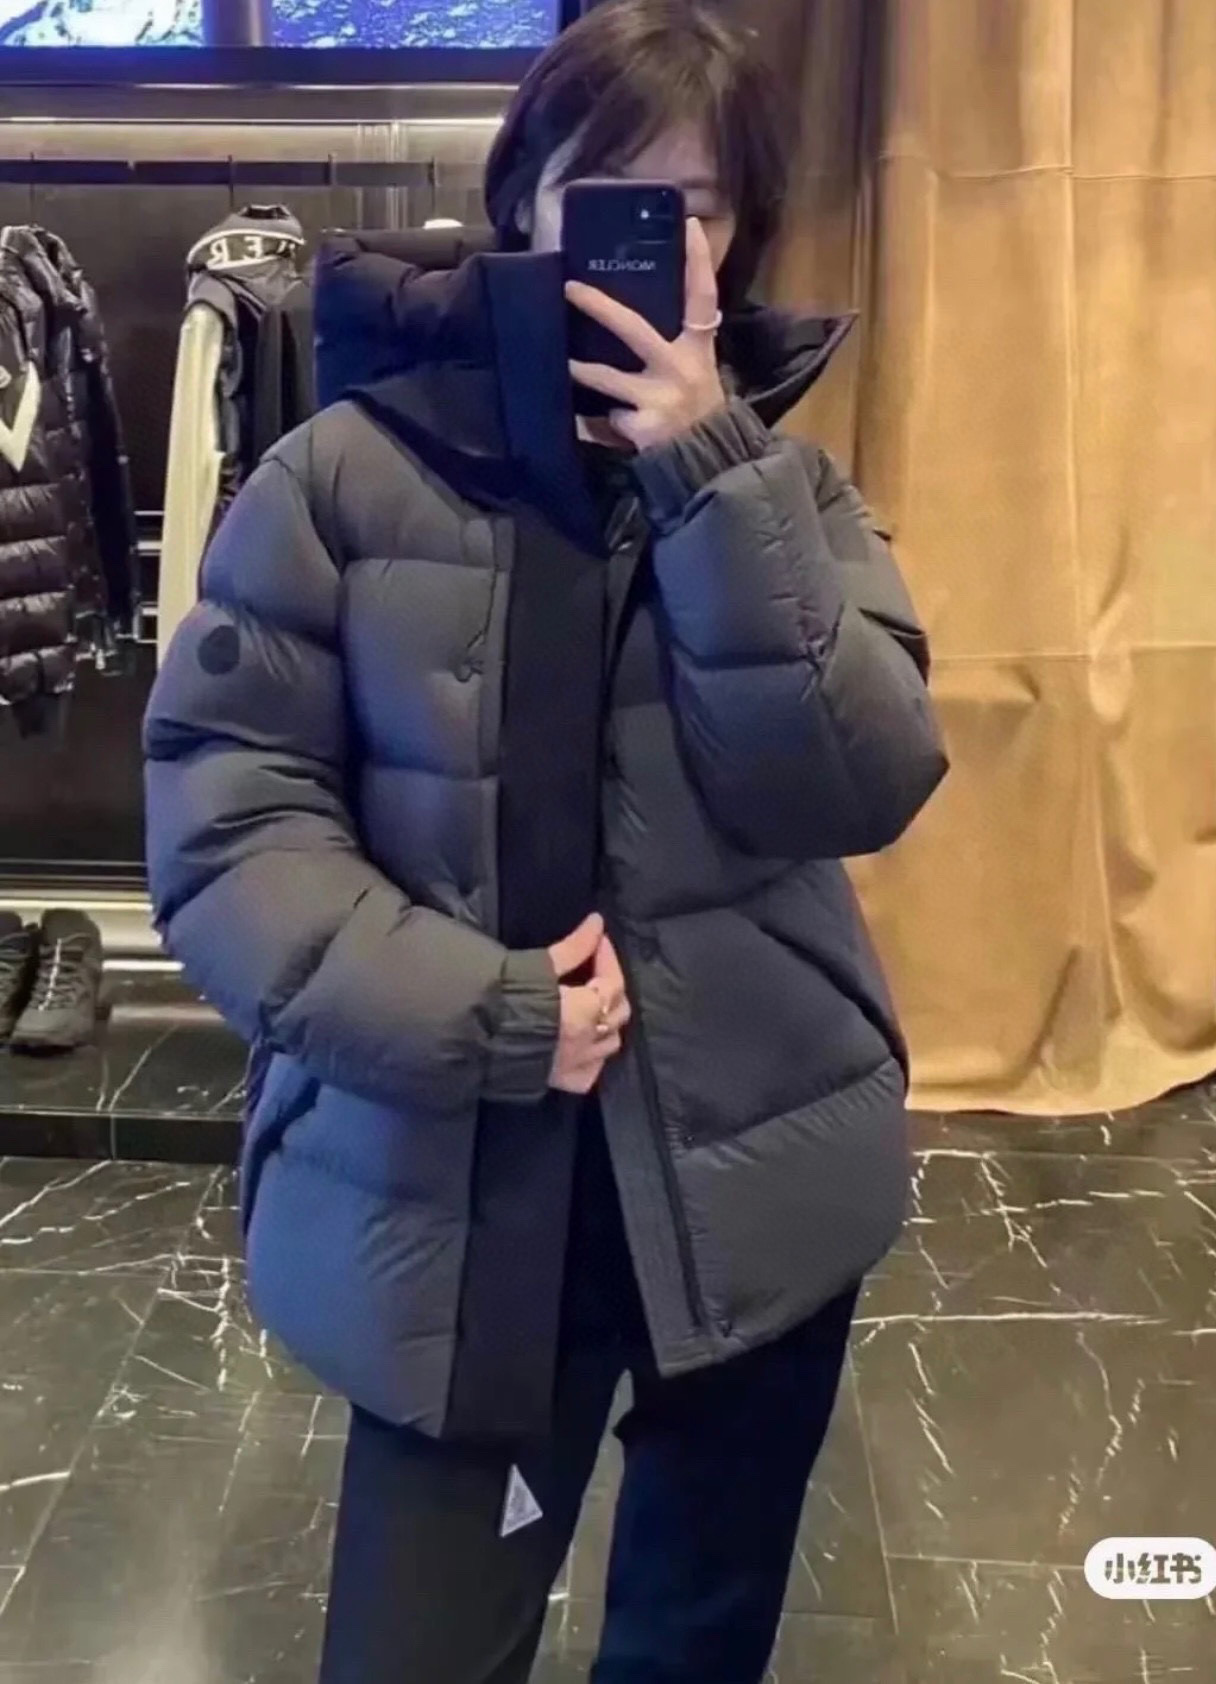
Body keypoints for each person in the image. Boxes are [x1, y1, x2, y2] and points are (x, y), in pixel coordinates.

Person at [143, 1, 947, 1678]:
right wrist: (493, 1014)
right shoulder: (342, 478)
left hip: (758, 1183)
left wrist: (709, 474)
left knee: (696, 1637)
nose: (651, 242)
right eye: (608, 194)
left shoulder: (787, 495)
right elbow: (231, 831)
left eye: (695, 207)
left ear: (739, 243)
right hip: (456, 1195)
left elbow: (855, 784)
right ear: (523, 201)